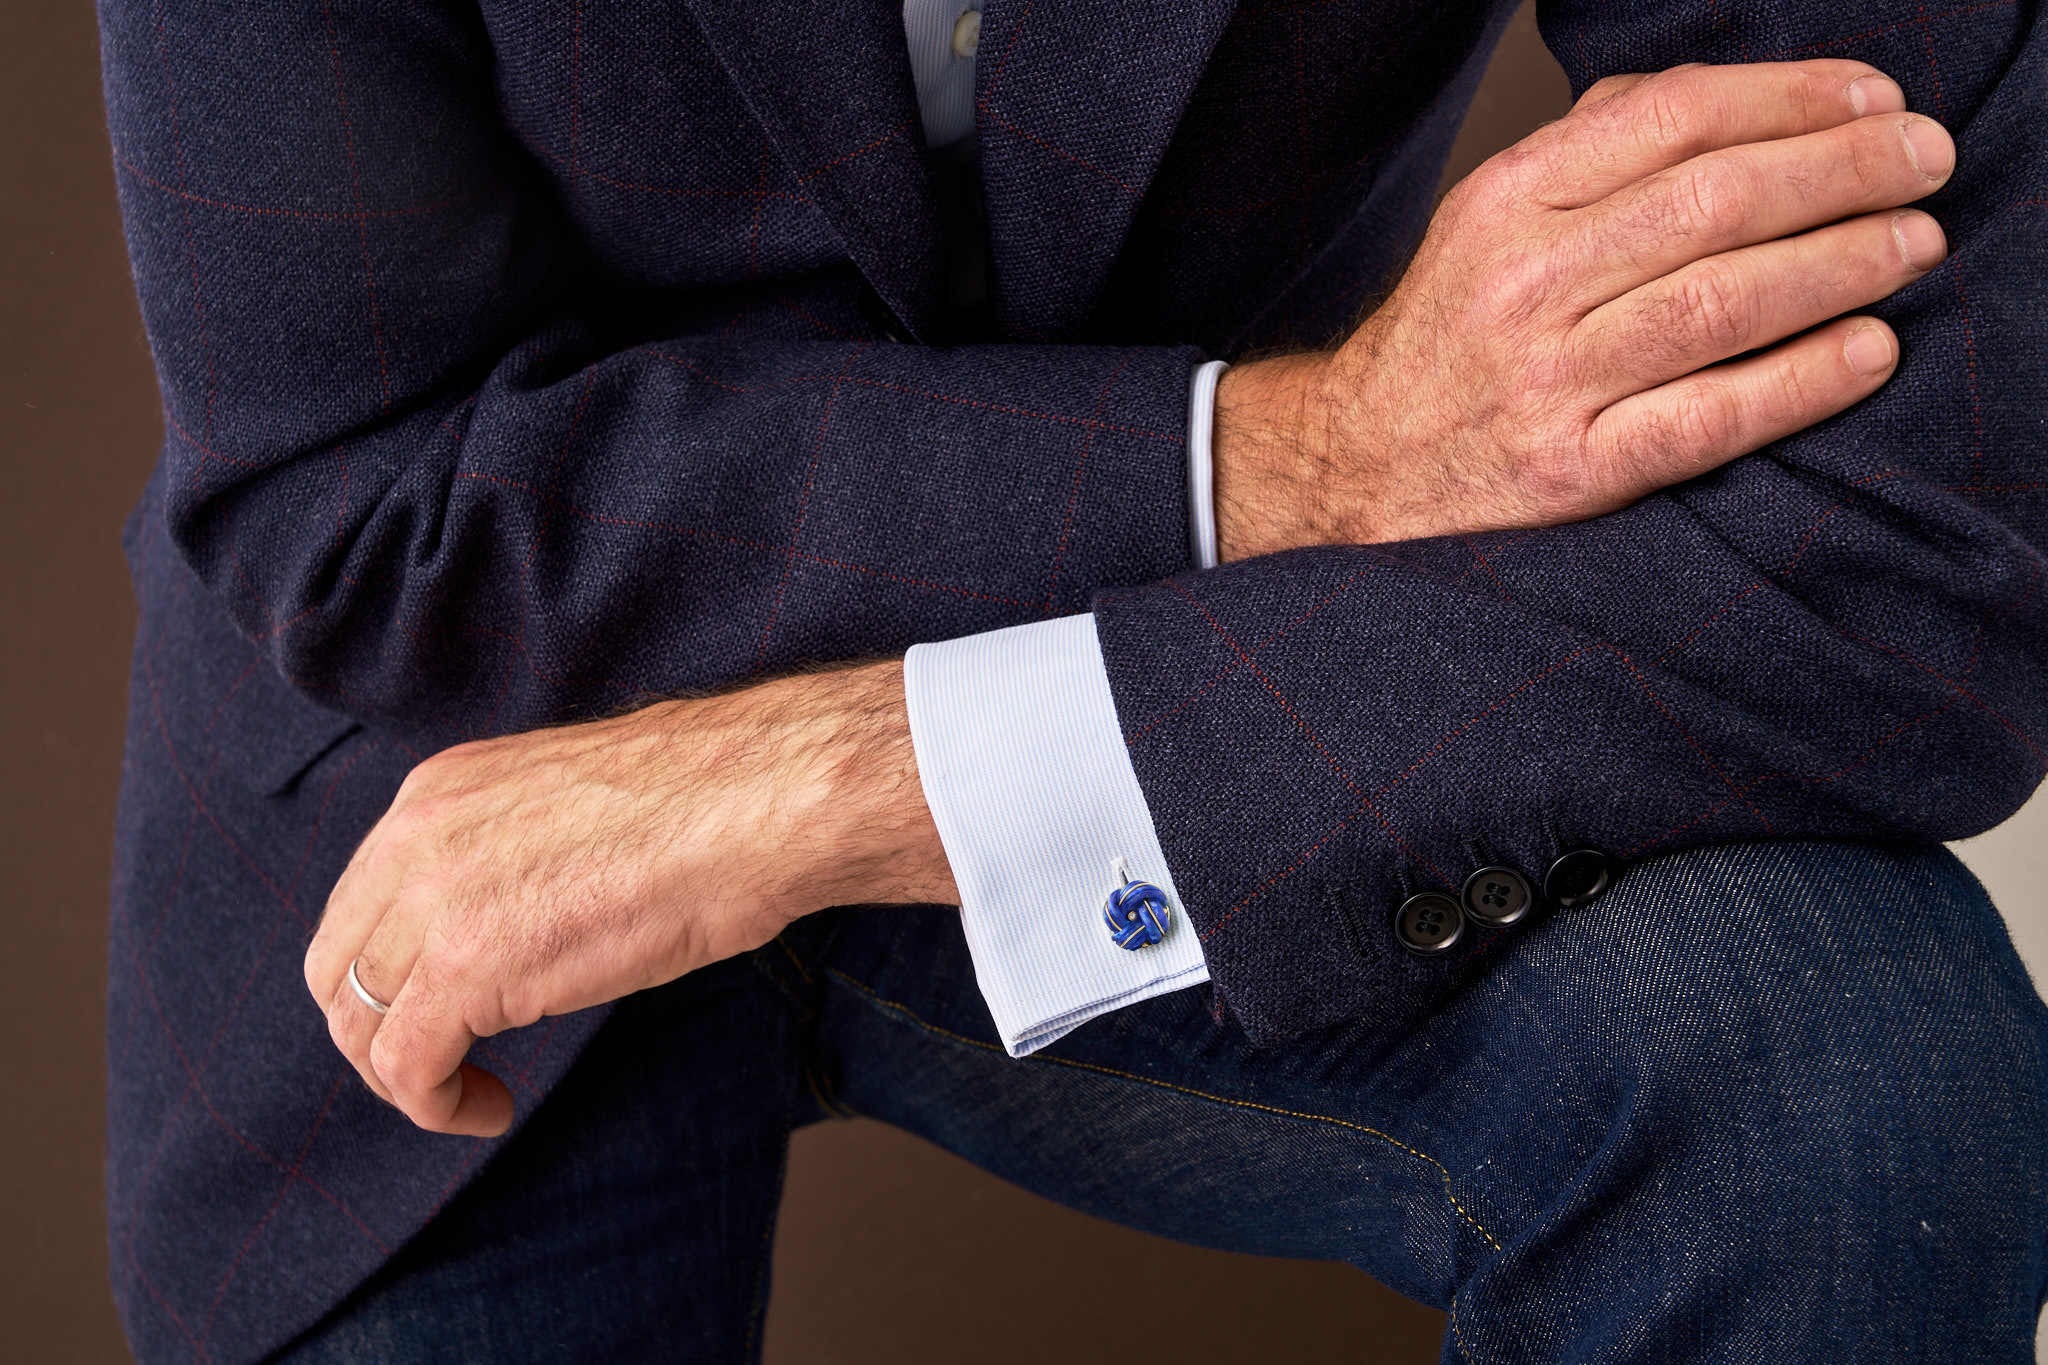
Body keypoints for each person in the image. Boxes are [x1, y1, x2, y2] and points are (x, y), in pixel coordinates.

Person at [99, 0, 2047, 1359]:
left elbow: (1946, 529)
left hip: (1218, 695)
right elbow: (360, 506)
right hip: (455, 776)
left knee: (1842, 1066)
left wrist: (880, 765)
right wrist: (1305, 451)